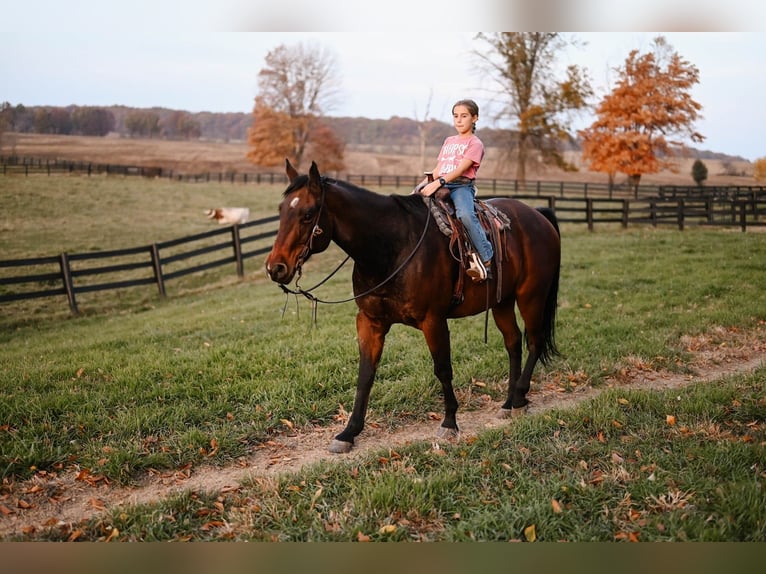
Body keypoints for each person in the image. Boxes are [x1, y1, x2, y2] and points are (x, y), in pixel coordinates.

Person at [417, 99, 493, 281]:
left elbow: (460, 169)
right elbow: (438, 168)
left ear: (475, 118)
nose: (459, 120)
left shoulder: (475, 144)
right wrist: (422, 185)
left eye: (464, 116)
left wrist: (438, 183)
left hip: (461, 186)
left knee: (465, 215)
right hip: (441, 182)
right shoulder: (449, 141)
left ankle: (486, 257)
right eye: (456, 116)